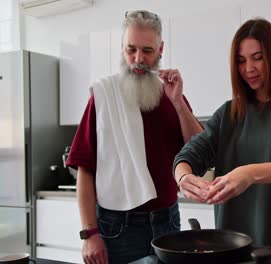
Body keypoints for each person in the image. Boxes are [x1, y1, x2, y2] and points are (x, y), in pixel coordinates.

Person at [173, 18, 271, 251]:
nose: (249, 68)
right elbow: (187, 157)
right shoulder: (228, 114)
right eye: (241, 61)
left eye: (257, 57)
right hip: (235, 254)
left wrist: (249, 174)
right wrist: (183, 178)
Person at [66, 10, 203, 264]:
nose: (138, 59)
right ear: (122, 47)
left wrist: (179, 104)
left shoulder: (172, 94)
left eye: (147, 51)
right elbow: (85, 171)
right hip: (117, 227)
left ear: (161, 49)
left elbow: (201, 149)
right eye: (131, 50)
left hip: (168, 221)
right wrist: (89, 234)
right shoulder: (103, 96)